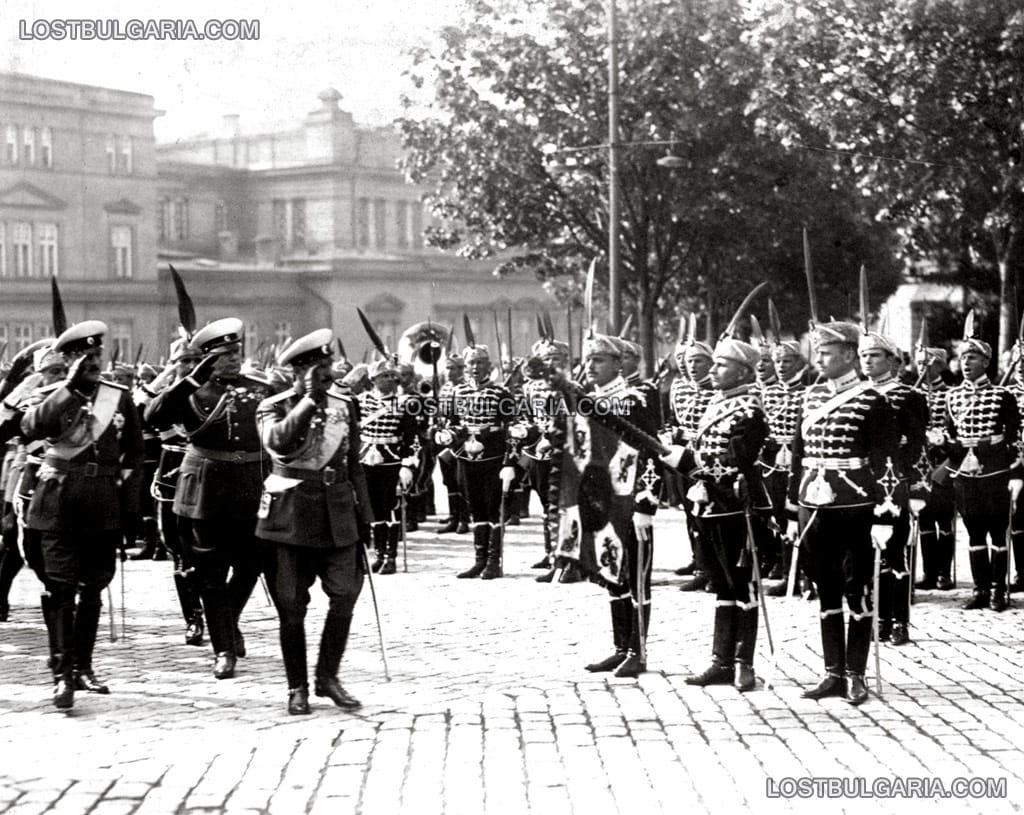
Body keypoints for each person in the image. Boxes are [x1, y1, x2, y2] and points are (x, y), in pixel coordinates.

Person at [21, 321, 144, 709]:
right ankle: (61, 673)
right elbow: (29, 428)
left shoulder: (118, 398)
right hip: (58, 503)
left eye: (97, 355)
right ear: (69, 358)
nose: (93, 362)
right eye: (84, 356)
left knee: (93, 588)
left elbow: (135, 455)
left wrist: (129, 512)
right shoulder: (51, 395)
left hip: (102, 504)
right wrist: (68, 389)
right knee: (60, 588)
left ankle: (83, 667)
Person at [145, 318, 272, 679]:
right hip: (205, 490)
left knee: (252, 564)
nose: (234, 359)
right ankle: (224, 649)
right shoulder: (190, 392)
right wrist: (188, 379)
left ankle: (227, 621)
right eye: (225, 354)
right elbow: (152, 417)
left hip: (251, 486)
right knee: (210, 571)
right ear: (206, 359)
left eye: (236, 352)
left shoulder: (261, 389)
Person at [256, 329, 373, 715]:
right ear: (297, 371)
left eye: (326, 366)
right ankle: (297, 687)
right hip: (289, 517)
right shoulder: (272, 405)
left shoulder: (345, 405)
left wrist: (366, 520)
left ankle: (328, 676)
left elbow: (353, 464)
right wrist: (308, 401)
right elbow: (279, 442)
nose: (325, 374)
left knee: (344, 595)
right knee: (291, 605)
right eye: (316, 368)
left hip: (338, 515)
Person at [790, 321, 898, 706]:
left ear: (850, 355)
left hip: (855, 507)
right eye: (818, 351)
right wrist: (792, 507)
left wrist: (886, 515)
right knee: (825, 589)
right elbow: (797, 456)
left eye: (827, 352)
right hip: (813, 507)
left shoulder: (873, 401)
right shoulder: (810, 398)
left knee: (858, 589)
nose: (819, 358)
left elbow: (888, 462)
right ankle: (832, 672)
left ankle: (855, 673)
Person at [660, 336, 769, 691]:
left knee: (742, 584)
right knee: (721, 585)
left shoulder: (750, 410)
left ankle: (743, 662)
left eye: (723, 365)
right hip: (709, 505)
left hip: (736, 507)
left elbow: (737, 462)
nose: (714, 370)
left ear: (743, 371)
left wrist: (689, 462)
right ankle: (721, 660)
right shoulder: (717, 403)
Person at [559, 333, 660, 678]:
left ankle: (639, 651)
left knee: (636, 576)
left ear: (618, 364)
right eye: (588, 361)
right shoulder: (587, 401)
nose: (591, 367)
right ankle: (620, 647)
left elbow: (652, 450)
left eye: (599, 360)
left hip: (630, 499)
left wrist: (648, 499)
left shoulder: (633, 400)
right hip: (601, 500)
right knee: (611, 573)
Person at [942, 332, 1021, 611]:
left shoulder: (1002, 396)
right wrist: (942, 444)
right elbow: (950, 436)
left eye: (972, 357)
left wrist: (1015, 474)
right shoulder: (952, 397)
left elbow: (1014, 438)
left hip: (995, 471)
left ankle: (999, 591)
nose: (966, 363)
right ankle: (980, 589)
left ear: (986, 362)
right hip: (965, 473)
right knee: (974, 532)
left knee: (998, 533)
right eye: (962, 357)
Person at [858, 331, 927, 645]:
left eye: (874, 355)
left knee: (895, 554)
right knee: (866, 554)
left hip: (893, 484)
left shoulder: (908, 396)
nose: (867, 361)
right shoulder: (854, 395)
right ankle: (877, 618)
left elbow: (918, 447)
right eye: (863, 356)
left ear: (891, 360)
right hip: (858, 486)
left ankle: (898, 620)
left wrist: (917, 490)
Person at [136, 338, 206, 645]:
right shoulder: (165, 395)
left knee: (207, 545)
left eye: (194, 360)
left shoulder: (209, 392)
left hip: (204, 469)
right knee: (178, 547)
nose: (189, 366)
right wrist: (167, 374)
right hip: (171, 468)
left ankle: (215, 608)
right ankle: (193, 617)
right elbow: (140, 406)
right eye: (183, 360)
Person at [434, 343, 515, 580]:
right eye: (471, 363)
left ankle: (493, 561)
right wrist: (446, 434)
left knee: (493, 507)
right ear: (466, 367)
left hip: (493, 453)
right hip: (466, 456)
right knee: (475, 506)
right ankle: (479, 560)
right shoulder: (459, 392)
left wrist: (509, 461)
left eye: (480, 362)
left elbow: (514, 428)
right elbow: (453, 421)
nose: (476, 367)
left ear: (489, 366)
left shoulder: (501, 393)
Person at [514, 339, 573, 582]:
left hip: (564, 450)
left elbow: (573, 418)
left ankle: (568, 559)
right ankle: (550, 553)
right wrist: (528, 432)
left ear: (564, 361)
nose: (550, 363)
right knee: (545, 503)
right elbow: (525, 415)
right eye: (546, 359)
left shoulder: (569, 387)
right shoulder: (530, 388)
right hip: (537, 451)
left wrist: (551, 436)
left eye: (555, 359)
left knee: (563, 505)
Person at [662, 335, 715, 591]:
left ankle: (711, 569)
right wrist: (670, 436)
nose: (691, 366)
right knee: (689, 513)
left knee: (708, 515)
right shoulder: (679, 387)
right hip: (684, 456)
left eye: (698, 361)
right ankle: (699, 561)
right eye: (687, 361)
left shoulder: (717, 388)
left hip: (709, 458)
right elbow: (674, 420)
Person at [761, 341, 814, 596]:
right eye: (778, 362)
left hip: (798, 461)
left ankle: (806, 573)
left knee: (801, 515)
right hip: (773, 461)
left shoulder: (808, 392)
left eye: (787, 361)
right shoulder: (767, 393)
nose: (781, 367)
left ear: (800, 363)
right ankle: (785, 572)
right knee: (779, 516)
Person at [356, 358, 419, 575]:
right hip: (366, 459)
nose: (390, 380)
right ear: (373, 379)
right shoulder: (361, 401)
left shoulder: (404, 404)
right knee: (373, 509)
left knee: (391, 507)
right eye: (384, 376)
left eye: (392, 376)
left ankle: (391, 557)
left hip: (391, 460)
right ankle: (379, 554)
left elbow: (411, 438)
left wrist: (407, 465)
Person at [910, 347, 957, 591]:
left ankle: (944, 573)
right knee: (925, 521)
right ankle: (929, 572)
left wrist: (943, 439)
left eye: (927, 364)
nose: (922, 369)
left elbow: (956, 427)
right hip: (921, 464)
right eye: (918, 364)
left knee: (945, 520)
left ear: (939, 366)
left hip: (944, 464)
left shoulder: (951, 394)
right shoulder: (913, 395)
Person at [434, 353, 469, 534]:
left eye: (453, 368)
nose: (449, 372)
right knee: (449, 479)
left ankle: (464, 518)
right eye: (447, 368)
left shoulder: (466, 388)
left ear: (462, 369)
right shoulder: (446, 388)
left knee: (461, 480)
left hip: (463, 440)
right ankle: (454, 516)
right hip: (448, 438)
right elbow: (441, 413)